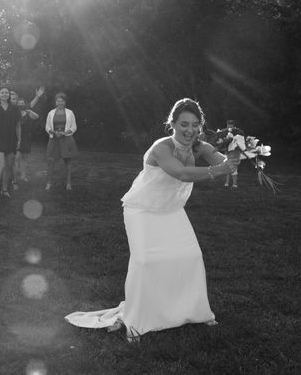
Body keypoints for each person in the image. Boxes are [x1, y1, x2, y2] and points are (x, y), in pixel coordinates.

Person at [65, 98, 239, 341]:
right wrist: (217, 171)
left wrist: (233, 157)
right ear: (173, 124)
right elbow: (181, 173)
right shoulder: (161, 147)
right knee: (145, 262)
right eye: (184, 124)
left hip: (172, 209)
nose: (190, 130)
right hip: (142, 209)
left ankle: (195, 312)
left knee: (190, 257)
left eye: (195, 125)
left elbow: (220, 160)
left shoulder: (200, 146)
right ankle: (137, 321)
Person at [45, 92, 78, 190]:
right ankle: (48, 183)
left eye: (62, 101)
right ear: (56, 102)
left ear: (65, 102)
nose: (60, 103)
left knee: (68, 161)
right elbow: (47, 126)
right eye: (58, 101)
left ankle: (68, 183)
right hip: (54, 139)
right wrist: (52, 131)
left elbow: (74, 127)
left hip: (66, 139)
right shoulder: (51, 113)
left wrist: (66, 132)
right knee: (51, 161)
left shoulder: (70, 113)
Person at [13, 87, 43, 186]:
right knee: (16, 158)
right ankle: (14, 177)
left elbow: (36, 117)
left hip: (26, 137)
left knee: (25, 158)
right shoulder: (15, 112)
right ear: (17, 104)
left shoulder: (28, 113)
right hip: (17, 137)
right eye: (19, 103)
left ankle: (23, 175)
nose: (21, 104)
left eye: (22, 103)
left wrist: (30, 110)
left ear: (24, 104)